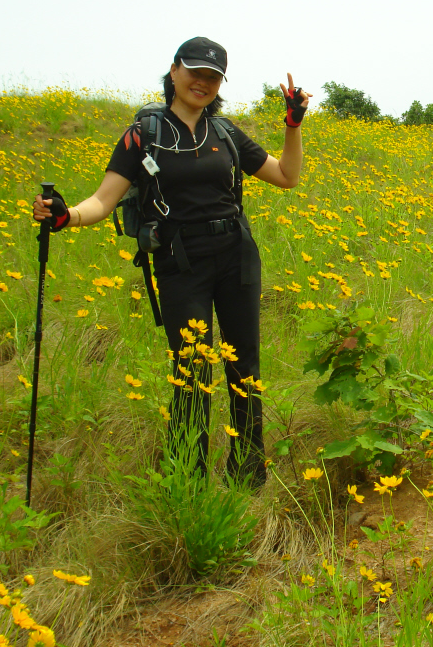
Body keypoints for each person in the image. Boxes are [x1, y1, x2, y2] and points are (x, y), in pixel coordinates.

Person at [33, 36, 310, 487]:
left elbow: (286, 176)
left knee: (245, 366)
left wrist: (293, 124)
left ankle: (247, 477)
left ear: (220, 84)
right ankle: (189, 480)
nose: (202, 82)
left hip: (236, 255)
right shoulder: (144, 133)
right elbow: (103, 201)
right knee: (190, 368)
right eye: (195, 71)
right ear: (175, 71)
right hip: (182, 263)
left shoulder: (225, 132)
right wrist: (67, 216)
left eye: (213, 76)